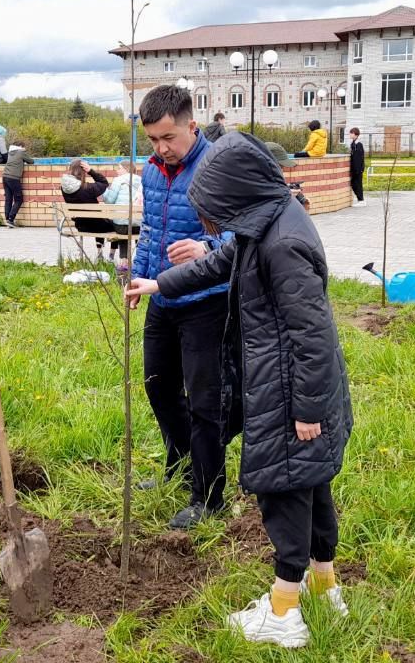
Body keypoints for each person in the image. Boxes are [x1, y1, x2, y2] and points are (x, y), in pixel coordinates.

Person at [124, 133, 353, 648]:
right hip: (287, 385)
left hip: (291, 392)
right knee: (312, 486)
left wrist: (307, 408)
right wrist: (160, 284)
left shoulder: (283, 243)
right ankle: (324, 587)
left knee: (285, 492)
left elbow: (311, 334)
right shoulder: (268, 224)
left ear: (236, 197)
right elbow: (217, 264)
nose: (213, 224)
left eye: (215, 212)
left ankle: (283, 613)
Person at [127, 84, 231, 530]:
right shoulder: (153, 171)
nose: (161, 148)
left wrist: (207, 246)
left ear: (192, 125)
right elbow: (150, 230)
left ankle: (209, 496)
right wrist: (137, 277)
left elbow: (242, 235)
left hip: (206, 301)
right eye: (152, 139)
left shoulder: (218, 168)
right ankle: (182, 464)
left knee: (206, 401)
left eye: (168, 138)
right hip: (161, 294)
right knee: (158, 387)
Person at [60, 158, 114, 258]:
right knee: (115, 224)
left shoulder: (64, 188)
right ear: (83, 171)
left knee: (100, 221)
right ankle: (102, 254)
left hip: (80, 225)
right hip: (97, 225)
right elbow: (104, 183)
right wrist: (91, 171)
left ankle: (99, 253)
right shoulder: (88, 188)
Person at [102, 160, 143, 261]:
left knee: (121, 225)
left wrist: (105, 191)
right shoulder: (142, 180)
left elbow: (109, 201)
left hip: (122, 227)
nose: (117, 171)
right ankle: (141, 260)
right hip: (139, 226)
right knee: (133, 224)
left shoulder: (118, 180)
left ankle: (124, 261)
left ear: (126, 169)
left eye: (119, 168)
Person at [265, 143, 310, 211]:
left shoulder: (271, 179)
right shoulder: (252, 181)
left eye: (282, 167)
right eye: (280, 166)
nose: (281, 170)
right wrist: (286, 196)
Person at [2, 143, 34, 228]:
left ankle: (7, 219)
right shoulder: (21, 152)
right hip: (13, 178)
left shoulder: (10, 153)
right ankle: (11, 219)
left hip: (5, 177)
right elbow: (31, 161)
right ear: (21, 147)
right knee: (19, 199)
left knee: (8, 199)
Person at [348, 128, 366, 207]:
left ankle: (361, 200)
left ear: (355, 134)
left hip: (358, 169)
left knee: (358, 184)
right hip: (354, 169)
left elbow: (359, 158)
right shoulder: (353, 143)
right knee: (353, 183)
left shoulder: (358, 145)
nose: (350, 135)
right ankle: (360, 199)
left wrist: (358, 169)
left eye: (351, 133)